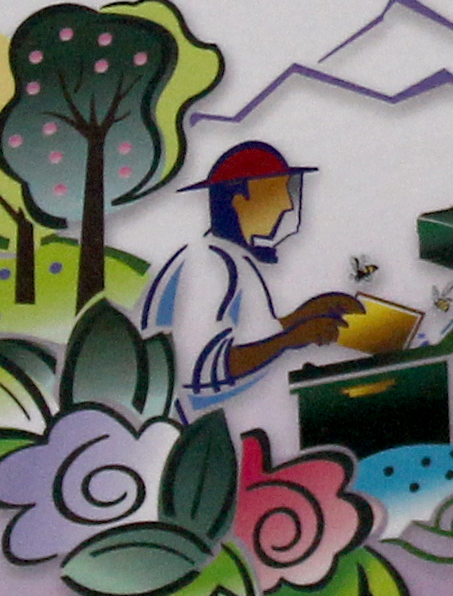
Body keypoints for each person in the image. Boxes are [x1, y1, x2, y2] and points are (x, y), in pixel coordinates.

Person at [136, 143, 364, 424]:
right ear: (239, 200)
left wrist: (303, 316)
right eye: (276, 192)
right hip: (205, 425)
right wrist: (291, 339)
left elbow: (249, 337)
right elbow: (206, 372)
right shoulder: (210, 264)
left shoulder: (231, 256)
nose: (287, 204)